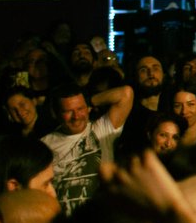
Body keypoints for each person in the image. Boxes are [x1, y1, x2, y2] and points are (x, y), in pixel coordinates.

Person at [39, 81, 133, 213]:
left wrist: (90, 101)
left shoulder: (101, 129)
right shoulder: (44, 144)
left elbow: (126, 93)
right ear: (56, 113)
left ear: (88, 108)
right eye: (68, 111)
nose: (76, 116)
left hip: (103, 217)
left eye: (80, 109)